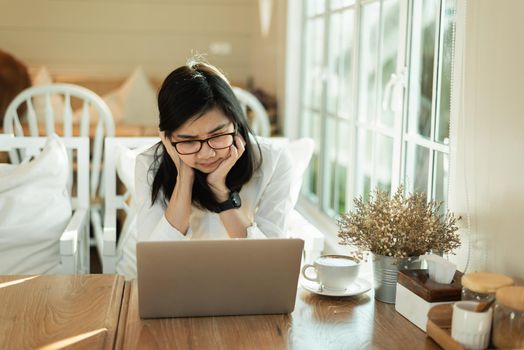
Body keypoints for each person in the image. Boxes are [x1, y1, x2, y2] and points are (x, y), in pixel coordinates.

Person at [131, 59, 294, 250]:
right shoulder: (149, 164)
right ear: (167, 138)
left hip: (246, 279)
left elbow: (270, 260)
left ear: (236, 123)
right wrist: (184, 178)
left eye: (217, 135)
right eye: (189, 140)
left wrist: (220, 193)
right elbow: (155, 259)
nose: (207, 153)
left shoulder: (273, 161)